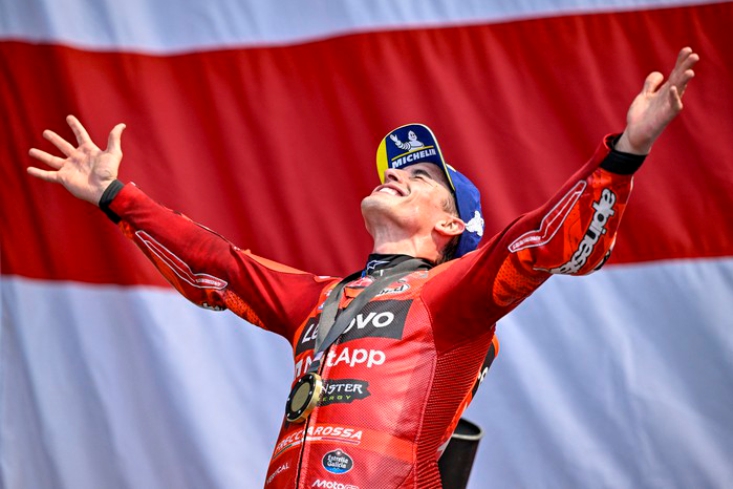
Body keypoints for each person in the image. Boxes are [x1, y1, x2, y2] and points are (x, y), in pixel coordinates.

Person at [27, 48, 699, 489]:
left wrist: (624, 152)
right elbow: (217, 265)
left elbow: (539, 240)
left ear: (450, 226)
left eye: (422, 177)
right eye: (397, 170)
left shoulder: (454, 293)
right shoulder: (319, 298)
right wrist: (116, 195)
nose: (398, 176)